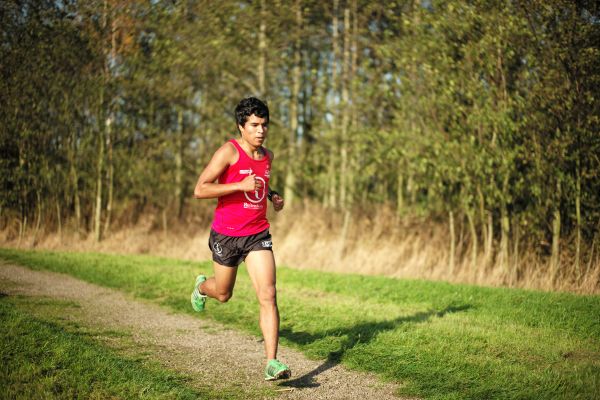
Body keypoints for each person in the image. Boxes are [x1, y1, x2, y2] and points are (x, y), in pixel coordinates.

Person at [190, 97, 291, 381]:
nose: (261, 131)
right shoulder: (228, 152)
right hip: (227, 234)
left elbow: (261, 180)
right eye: (255, 125)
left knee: (268, 294)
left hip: (257, 234)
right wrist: (239, 185)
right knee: (223, 294)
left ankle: (271, 362)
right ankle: (201, 288)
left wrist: (272, 195)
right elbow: (200, 189)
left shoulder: (267, 156)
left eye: (265, 125)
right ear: (241, 126)